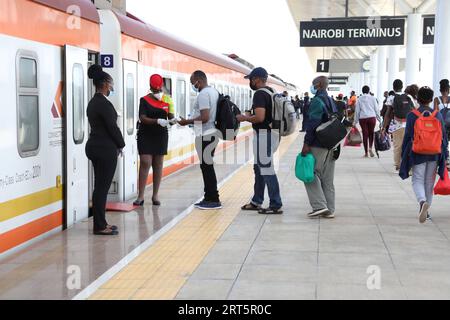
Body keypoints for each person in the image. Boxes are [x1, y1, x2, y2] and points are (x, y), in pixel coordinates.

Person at [85, 65, 125, 236]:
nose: (112, 88)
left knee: (99, 186)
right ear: (105, 84)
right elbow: (112, 127)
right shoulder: (104, 104)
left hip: (94, 146)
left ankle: (101, 222)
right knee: (102, 188)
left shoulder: (93, 102)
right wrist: (121, 144)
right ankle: (100, 226)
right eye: (111, 84)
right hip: (105, 149)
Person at [237, 67, 283, 214]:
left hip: (264, 135)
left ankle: (275, 204)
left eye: (251, 79)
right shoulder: (271, 91)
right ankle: (257, 201)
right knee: (259, 168)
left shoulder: (259, 94)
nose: (250, 82)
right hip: (272, 134)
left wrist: (244, 118)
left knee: (266, 169)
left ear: (256, 79)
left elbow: (260, 117)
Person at [399, 87, 448, 223]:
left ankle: (422, 203)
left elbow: (408, 137)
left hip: (418, 153)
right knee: (429, 182)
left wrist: (403, 155)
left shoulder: (412, 115)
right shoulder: (437, 115)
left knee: (417, 180)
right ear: (431, 99)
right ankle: (427, 212)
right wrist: (445, 154)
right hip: (434, 153)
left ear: (418, 99)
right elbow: (443, 137)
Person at [178, 70, 221, 210]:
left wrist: (187, 121)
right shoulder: (214, 92)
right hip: (212, 133)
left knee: (207, 167)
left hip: (205, 135)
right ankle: (209, 196)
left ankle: (213, 199)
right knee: (207, 166)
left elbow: (205, 117)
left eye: (192, 82)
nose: (193, 85)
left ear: (199, 81)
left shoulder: (203, 94)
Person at [134, 74, 175, 206]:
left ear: (162, 86)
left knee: (158, 164)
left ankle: (155, 195)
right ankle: (140, 196)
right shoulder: (144, 100)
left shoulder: (168, 100)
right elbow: (142, 118)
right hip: (145, 134)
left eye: (159, 89)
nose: (157, 92)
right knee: (145, 162)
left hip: (160, 135)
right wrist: (157, 120)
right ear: (151, 87)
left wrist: (172, 120)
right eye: (155, 89)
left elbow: (171, 117)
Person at [301, 76, 337, 219]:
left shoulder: (317, 101)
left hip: (318, 143)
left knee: (308, 173)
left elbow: (313, 124)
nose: (312, 86)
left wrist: (306, 143)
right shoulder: (331, 101)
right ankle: (330, 209)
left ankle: (319, 206)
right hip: (331, 143)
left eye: (314, 84)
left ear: (320, 84)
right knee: (327, 178)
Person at [382, 79, 414, 171]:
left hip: (397, 125)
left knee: (398, 145)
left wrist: (384, 127)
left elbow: (387, 114)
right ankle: (408, 164)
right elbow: (414, 110)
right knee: (408, 145)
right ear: (402, 86)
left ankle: (398, 165)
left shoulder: (391, 98)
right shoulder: (409, 97)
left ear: (393, 87)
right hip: (408, 125)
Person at [354, 85, 382, 158]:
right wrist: (379, 119)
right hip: (372, 117)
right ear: (369, 91)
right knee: (371, 133)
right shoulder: (373, 98)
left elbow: (357, 111)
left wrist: (355, 121)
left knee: (365, 134)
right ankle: (370, 148)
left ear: (362, 91)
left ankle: (366, 153)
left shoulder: (359, 99)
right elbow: (376, 109)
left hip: (362, 118)